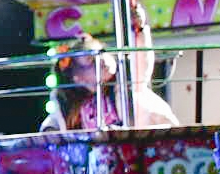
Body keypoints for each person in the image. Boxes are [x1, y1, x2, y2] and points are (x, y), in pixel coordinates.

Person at [44, 31, 177, 130]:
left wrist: (139, 30)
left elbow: (142, 59)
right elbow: (54, 123)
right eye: (90, 61)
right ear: (77, 78)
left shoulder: (127, 80)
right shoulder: (72, 106)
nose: (100, 60)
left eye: (101, 52)